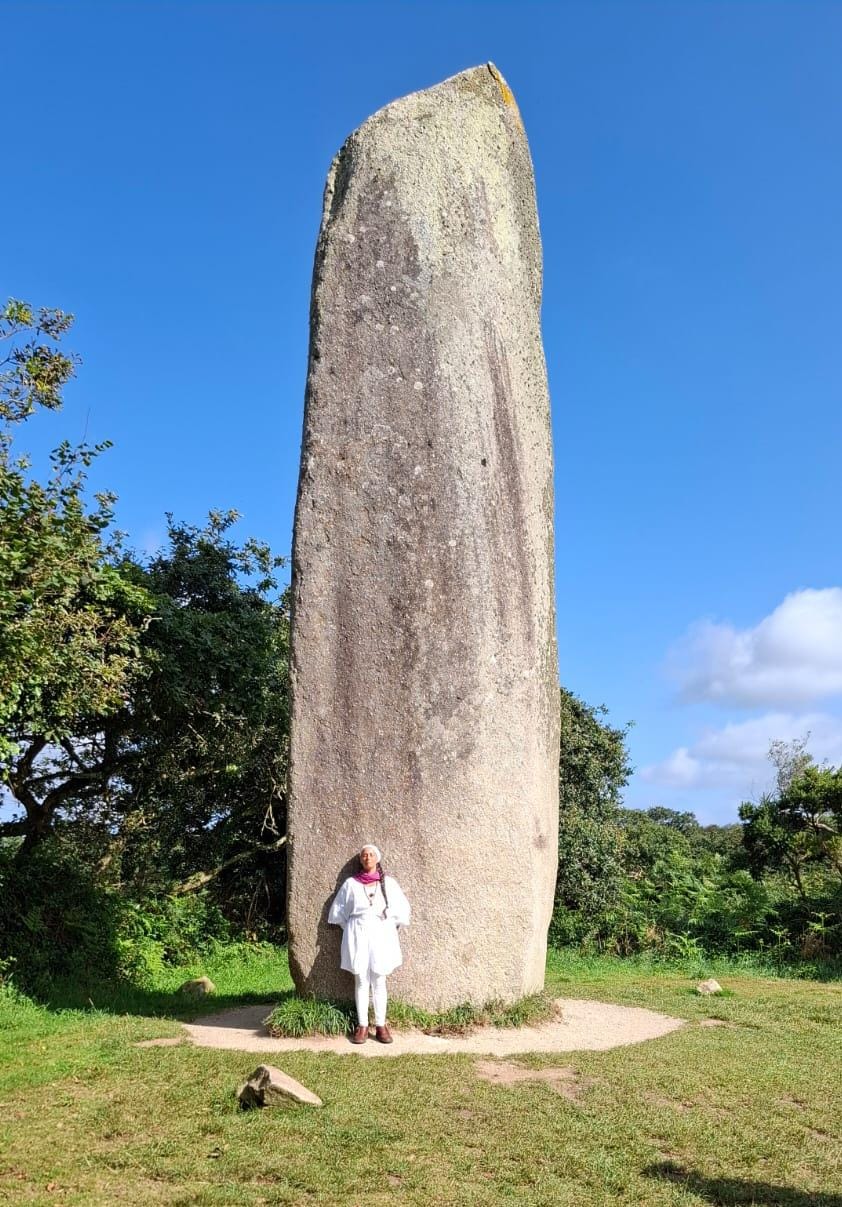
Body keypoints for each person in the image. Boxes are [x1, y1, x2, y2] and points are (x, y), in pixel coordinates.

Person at [328, 843, 411, 1044]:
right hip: (358, 935)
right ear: (360, 859)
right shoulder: (351, 884)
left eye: (371, 854)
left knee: (379, 979)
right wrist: (352, 930)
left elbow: (401, 910)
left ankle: (381, 1025)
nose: (367, 858)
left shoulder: (388, 884)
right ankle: (363, 1025)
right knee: (362, 980)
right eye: (364, 855)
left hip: (381, 935)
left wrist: (388, 924)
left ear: (377, 858)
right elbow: (338, 914)